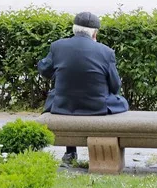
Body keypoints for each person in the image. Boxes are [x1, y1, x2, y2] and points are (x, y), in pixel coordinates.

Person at [38, 11, 128, 165]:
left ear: (74, 29)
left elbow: (44, 70)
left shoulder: (57, 46)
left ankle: (70, 152)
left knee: (66, 95)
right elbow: (115, 86)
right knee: (123, 102)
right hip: (96, 107)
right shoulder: (106, 52)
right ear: (95, 33)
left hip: (62, 105)